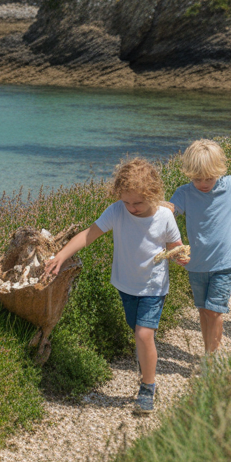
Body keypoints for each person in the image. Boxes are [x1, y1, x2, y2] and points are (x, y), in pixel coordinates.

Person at [43, 158, 182, 416]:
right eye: (126, 201)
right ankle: (146, 364)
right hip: (125, 284)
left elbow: (176, 248)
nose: (131, 207)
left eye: (137, 203)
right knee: (137, 330)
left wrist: (182, 258)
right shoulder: (117, 211)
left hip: (153, 287)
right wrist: (62, 255)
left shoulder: (164, 217)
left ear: (153, 195)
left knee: (143, 335)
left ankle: (147, 387)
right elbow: (88, 234)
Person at [169, 139, 231, 358]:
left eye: (209, 178)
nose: (203, 183)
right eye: (197, 178)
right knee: (204, 311)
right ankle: (208, 353)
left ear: (219, 171)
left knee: (215, 311)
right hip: (196, 265)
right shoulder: (184, 193)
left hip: (224, 263)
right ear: (189, 174)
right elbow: (168, 215)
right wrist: (158, 207)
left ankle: (211, 360)